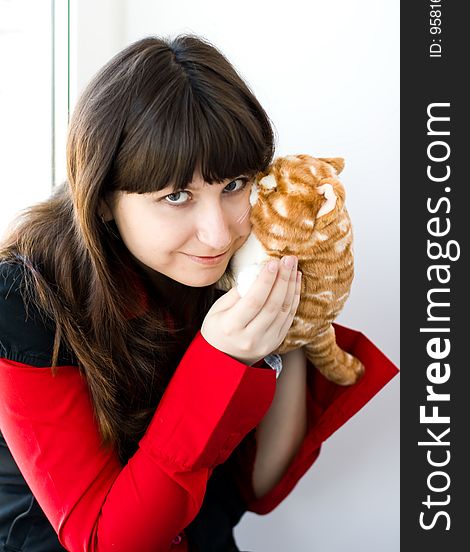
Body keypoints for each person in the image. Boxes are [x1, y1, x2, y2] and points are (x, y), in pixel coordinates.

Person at [0, 34, 398, 552]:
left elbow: (257, 485)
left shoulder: (232, 262)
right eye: (177, 196)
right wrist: (219, 360)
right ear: (102, 202)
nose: (218, 232)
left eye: (233, 185)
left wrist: (288, 328)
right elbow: (105, 542)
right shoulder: (24, 303)